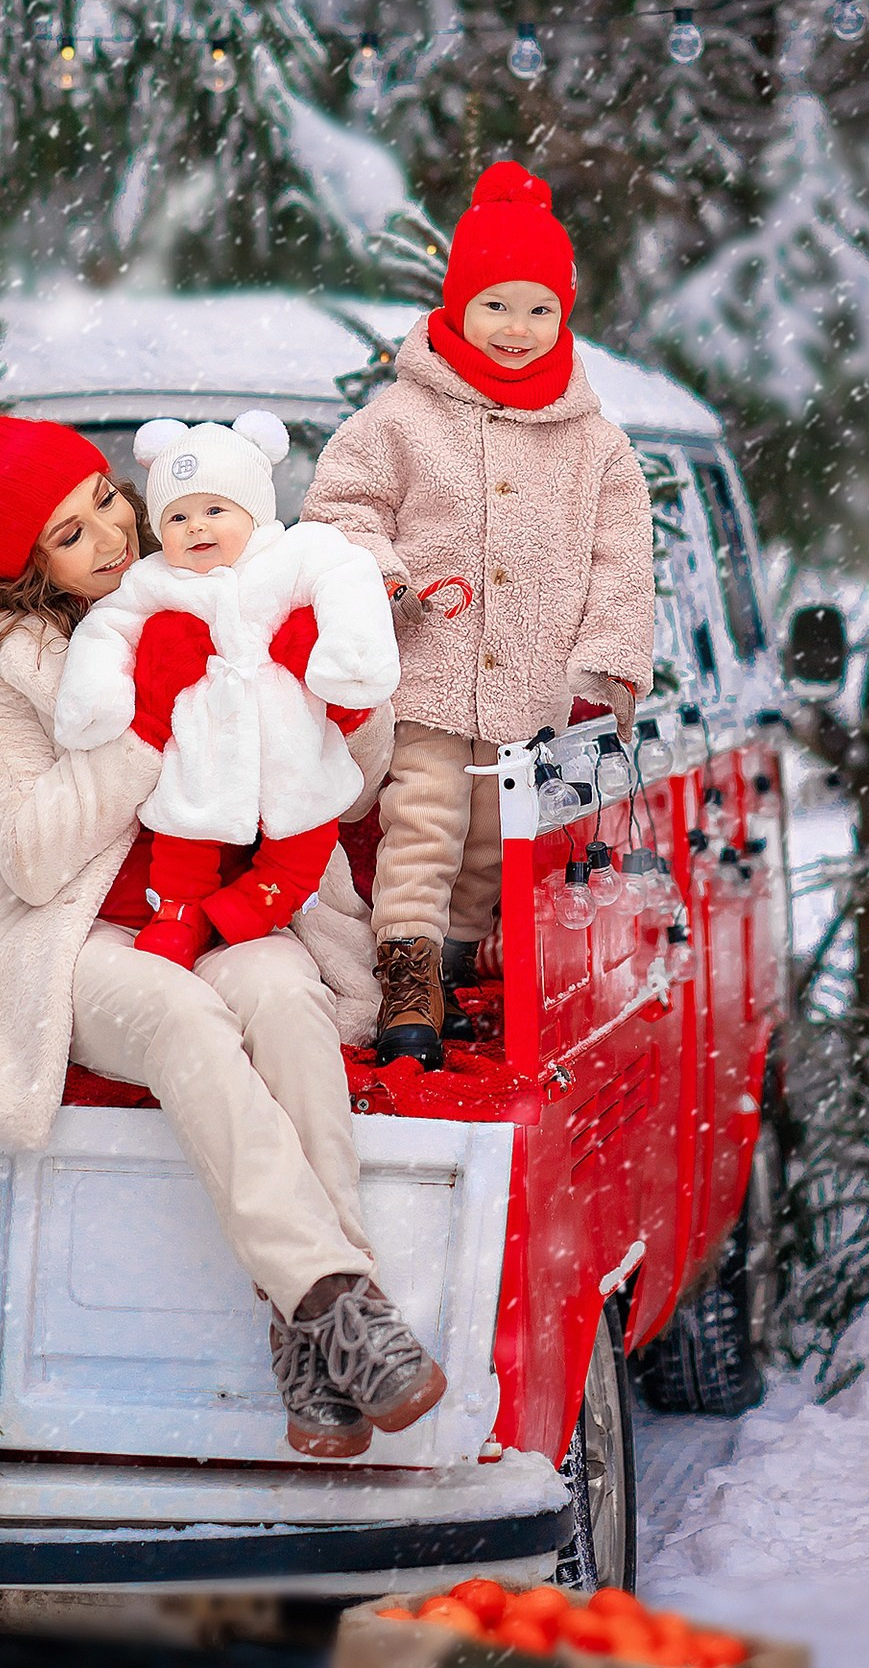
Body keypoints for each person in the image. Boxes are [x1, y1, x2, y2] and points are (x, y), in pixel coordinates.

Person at [0, 410, 446, 1460]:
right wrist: (146, 727)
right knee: (184, 1017)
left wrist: (337, 698)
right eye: (69, 535)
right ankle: (336, 1301)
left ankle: (316, 1348)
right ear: (25, 566)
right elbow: (28, 855)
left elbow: (350, 792)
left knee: (285, 1004)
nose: (111, 537)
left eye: (104, 501)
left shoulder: (235, 568)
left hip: (237, 905)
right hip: (82, 939)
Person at [303, 160, 655, 1070]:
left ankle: (455, 962)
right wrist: (381, 578)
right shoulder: (400, 418)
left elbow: (621, 561)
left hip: (532, 688)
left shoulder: (595, 442)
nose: (517, 328)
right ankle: (408, 973)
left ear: (564, 315)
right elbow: (341, 508)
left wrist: (606, 661)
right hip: (427, 668)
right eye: (496, 305)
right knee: (422, 824)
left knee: (493, 842)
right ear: (458, 307)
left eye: (539, 309)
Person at [51, 412, 399, 967]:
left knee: (304, 843)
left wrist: (347, 657)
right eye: (178, 516)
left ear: (253, 511)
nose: (195, 527)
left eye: (215, 510)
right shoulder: (155, 578)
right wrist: (96, 701)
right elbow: (108, 626)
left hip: (293, 745)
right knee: (181, 843)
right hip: (202, 748)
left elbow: (349, 576)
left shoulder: (295, 553)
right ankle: (179, 916)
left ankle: (244, 913)